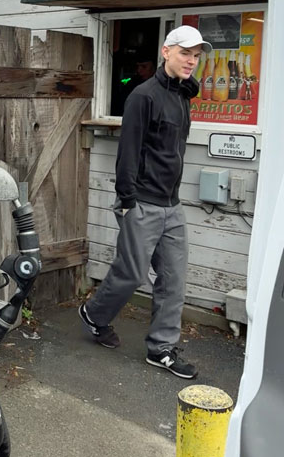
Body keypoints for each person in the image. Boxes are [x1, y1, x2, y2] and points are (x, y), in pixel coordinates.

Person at [79, 25, 212, 380]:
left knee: (173, 278)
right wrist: (127, 201)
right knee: (132, 273)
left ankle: (161, 348)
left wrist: (188, 87)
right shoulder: (143, 96)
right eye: (186, 53)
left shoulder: (182, 97)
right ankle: (95, 314)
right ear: (166, 51)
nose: (192, 61)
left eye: (197, 56)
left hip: (172, 204)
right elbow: (128, 152)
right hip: (143, 202)